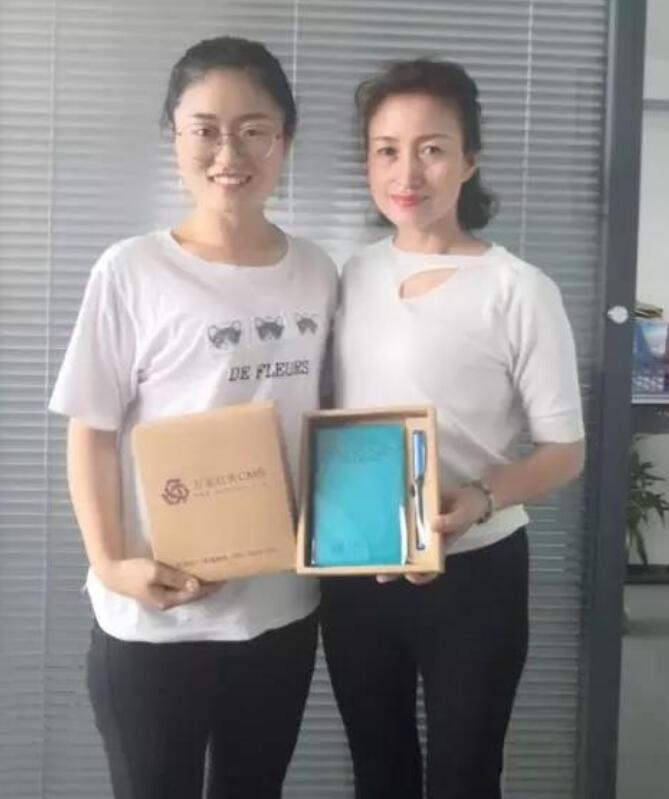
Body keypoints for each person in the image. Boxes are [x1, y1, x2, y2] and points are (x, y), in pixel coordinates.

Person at [49, 36, 337, 799]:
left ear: (283, 140)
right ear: (173, 137)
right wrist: (112, 563)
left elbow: (332, 424)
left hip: (280, 611)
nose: (228, 154)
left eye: (253, 130)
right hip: (157, 616)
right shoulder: (132, 270)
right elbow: (90, 431)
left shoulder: (316, 271)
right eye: (204, 129)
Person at [320, 58, 585, 799]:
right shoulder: (348, 275)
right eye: (386, 149)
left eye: (431, 149)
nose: (407, 172)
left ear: (469, 160)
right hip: (359, 564)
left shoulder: (518, 289)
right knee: (378, 769)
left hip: (474, 571)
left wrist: (478, 499)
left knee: (465, 774)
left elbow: (565, 450)